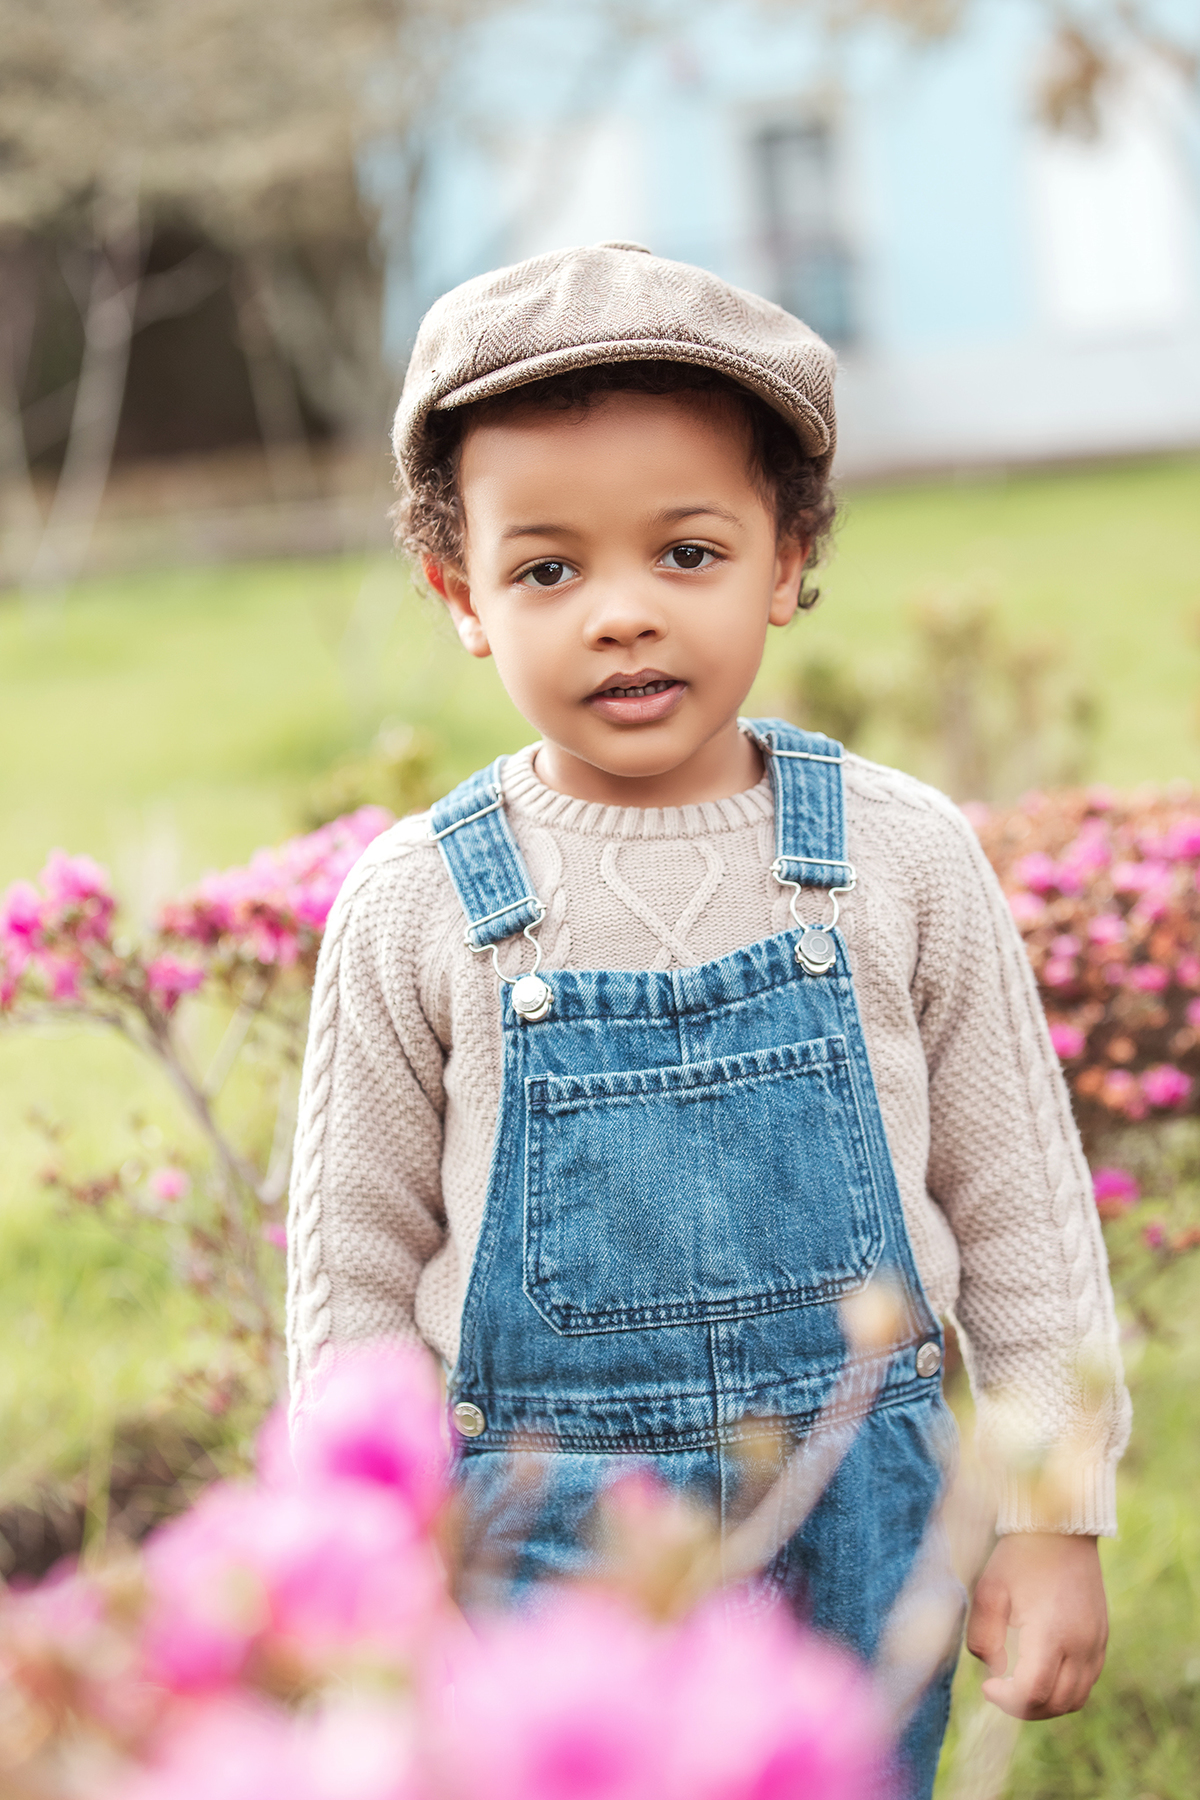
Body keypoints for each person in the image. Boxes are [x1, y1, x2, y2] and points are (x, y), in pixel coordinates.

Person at [287, 242, 1129, 1797]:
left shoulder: (895, 857)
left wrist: (1051, 1515)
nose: (622, 615)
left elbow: (1018, 1215)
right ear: (458, 592)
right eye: (548, 568)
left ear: (789, 556)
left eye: (687, 553)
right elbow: (352, 1280)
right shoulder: (419, 906)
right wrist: (368, 1561)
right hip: (538, 1541)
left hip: (860, 1518)